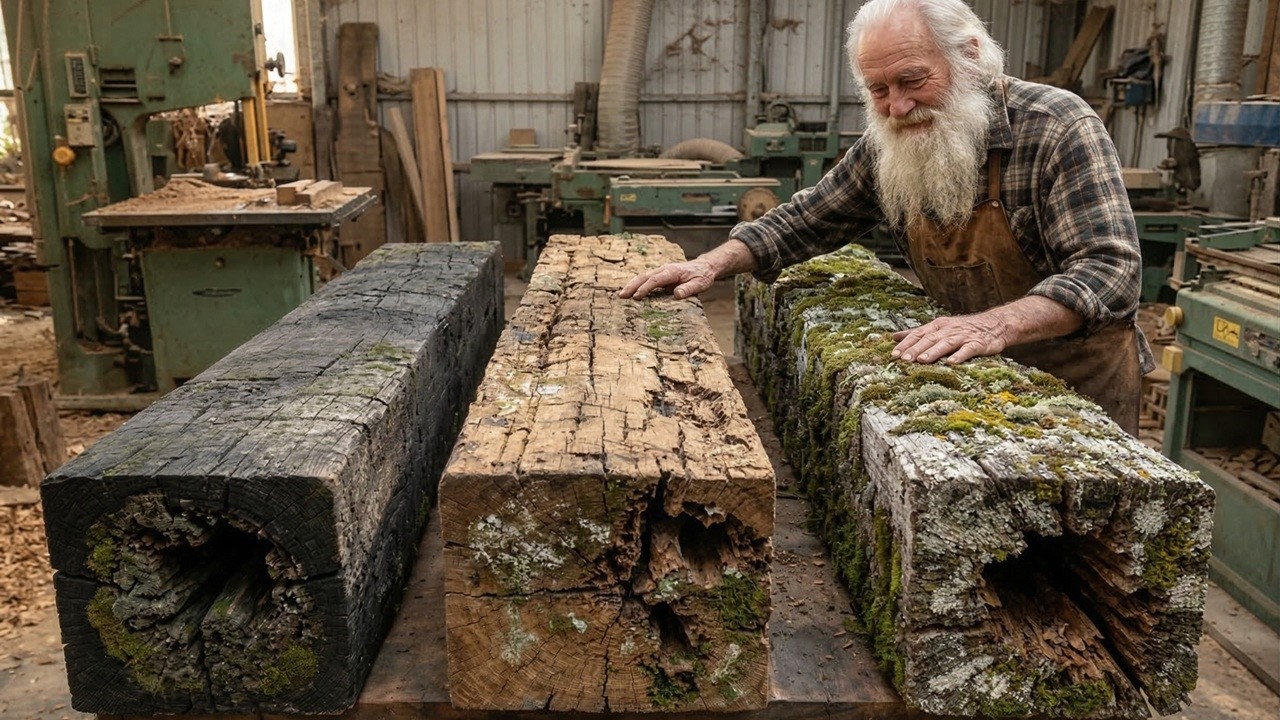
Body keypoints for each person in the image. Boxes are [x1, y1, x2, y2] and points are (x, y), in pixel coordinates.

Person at [618, 0, 1151, 435]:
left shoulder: (1057, 126)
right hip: (973, 379)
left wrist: (993, 324)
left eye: (912, 80)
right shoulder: (893, 139)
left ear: (969, 58)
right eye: (879, 90)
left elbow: (1110, 272)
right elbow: (808, 218)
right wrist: (710, 264)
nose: (897, 107)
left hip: (1078, 387)